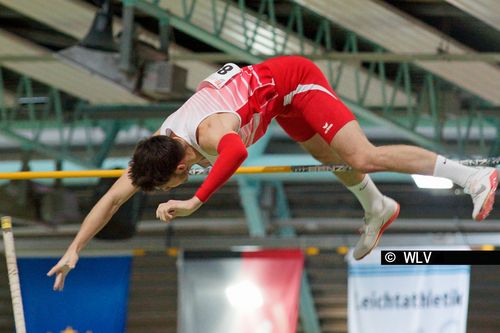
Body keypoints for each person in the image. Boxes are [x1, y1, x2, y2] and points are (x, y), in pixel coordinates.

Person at [48, 56, 498, 290]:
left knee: (360, 156)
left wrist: (194, 200)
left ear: (181, 167)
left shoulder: (208, 132)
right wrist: (74, 248)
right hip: (279, 106)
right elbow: (110, 200)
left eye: (172, 184)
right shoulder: (157, 150)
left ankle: (470, 177)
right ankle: (377, 207)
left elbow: (236, 153)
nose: (170, 188)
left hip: (294, 82)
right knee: (331, 159)